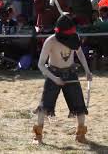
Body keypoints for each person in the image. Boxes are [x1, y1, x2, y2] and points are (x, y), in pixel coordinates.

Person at [33, 14, 92, 144]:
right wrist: (54, 78)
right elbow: (41, 64)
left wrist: (87, 70)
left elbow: (80, 53)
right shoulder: (51, 41)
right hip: (53, 73)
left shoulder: (74, 38)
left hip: (71, 73)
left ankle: (80, 135)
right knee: (44, 106)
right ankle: (38, 136)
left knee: (79, 106)